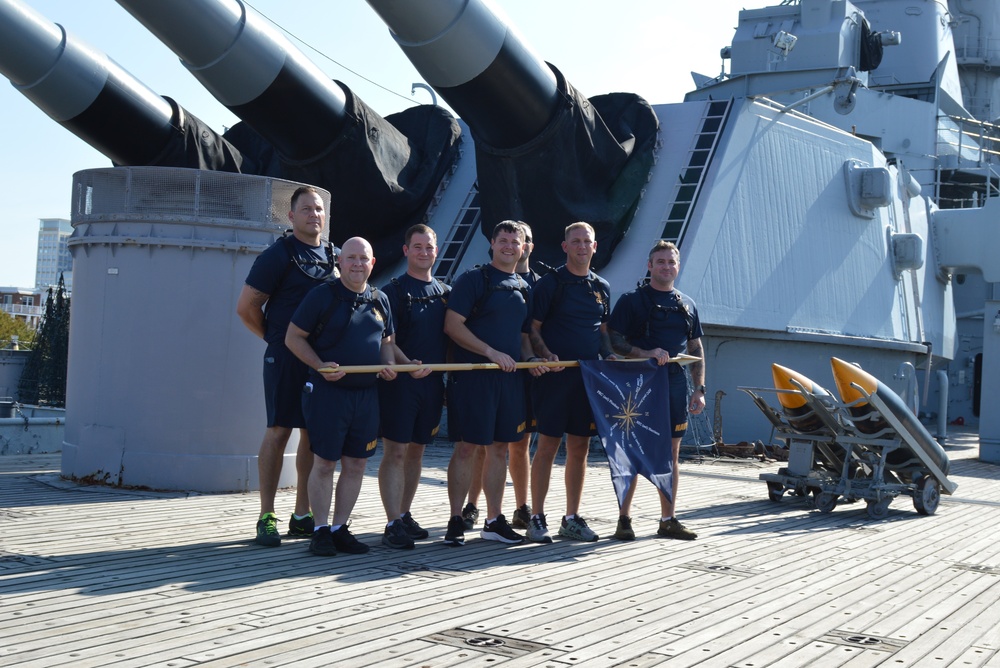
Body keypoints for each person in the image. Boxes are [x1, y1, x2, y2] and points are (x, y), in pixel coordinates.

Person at [235, 186, 338, 547]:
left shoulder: (334, 257)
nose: (314, 215)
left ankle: (302, 514)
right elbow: (246, 308)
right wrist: (277, 342)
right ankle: (266, 515)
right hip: (285, 358)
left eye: (319, 209)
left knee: (312, 432)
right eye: (306, 209)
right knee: (279, 430)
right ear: (291, 216)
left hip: (321, 362)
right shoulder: (277, 255)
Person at [284, 237, 398, 556]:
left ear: (373, 263)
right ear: (339, 262)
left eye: (364, 258)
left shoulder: (380, 299)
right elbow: (293, 337)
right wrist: (319, 366)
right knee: (324, 462)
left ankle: (339, 528)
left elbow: (388, 341)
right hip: (328, 394)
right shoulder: (322, 296)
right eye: (351, 258)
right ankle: (320, 529)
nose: (358, 264)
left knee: (357, 464)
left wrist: (389, 365)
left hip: (366, 396)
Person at [442, 221, 534, 546]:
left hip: (508, 381)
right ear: (492, 244)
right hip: (473, 378)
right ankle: (455, 519)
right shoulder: (473, 279)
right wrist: (490, 352)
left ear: (523, 248)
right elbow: (453, 326)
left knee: (500, 450)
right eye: (504, 240)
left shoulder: (524, 287)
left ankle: (494, 520)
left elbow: (522, 337)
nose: (510, 246)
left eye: (516, 241)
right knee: (467, 447)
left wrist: (531, 359)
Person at [607, 240, 706, 540]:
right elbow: (613, 340)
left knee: (671, 454)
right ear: (649, 266)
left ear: (678, 266)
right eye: (660, 262)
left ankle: (668, 519)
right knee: (631, 451)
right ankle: (624, 520)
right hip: (639, 382)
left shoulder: (687, 305)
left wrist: (699, 389)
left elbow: (696, 347)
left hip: (675, 383)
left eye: (671, 262)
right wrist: (643, 353)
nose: (666, 267)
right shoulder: (631, 301)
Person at [525, 222, 613, 543]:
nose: (580, 246)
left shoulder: (602, 286)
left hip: (587, 380)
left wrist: (611, 359)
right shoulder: (550, 284)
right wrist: (546, 354)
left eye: (586, 241)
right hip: (554, 379)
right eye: (574, 241)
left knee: (580, 447)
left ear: (594, 247)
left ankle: (572, 517)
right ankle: (536, 517)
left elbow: (602, 334)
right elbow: (532, 328)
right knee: (547, 445)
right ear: (565, 247)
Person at [377, 224, 449, 549]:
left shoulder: (446, 293)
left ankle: (404, 513)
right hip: (400, 386)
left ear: (436, 250)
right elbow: (385, 340)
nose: (423, 252)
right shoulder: (392, 292)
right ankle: (392, 523)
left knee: (417, 453)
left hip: (432, 386)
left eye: (429, 247)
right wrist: (408, 366)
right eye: (417, 247)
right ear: (406, 251)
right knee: (395, 453)